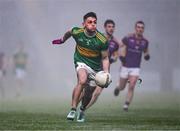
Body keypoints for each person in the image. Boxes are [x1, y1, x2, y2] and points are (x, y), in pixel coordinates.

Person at [52, 12, 111, 122]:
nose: (93, 24)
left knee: (89, 93)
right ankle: (73, 109)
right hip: (81, 62)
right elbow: (69, 32)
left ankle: (82, 109)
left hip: (95, 68)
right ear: (83, 24)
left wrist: (106, 73)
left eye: (95, 22)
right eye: (89, 22)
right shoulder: (77, 31)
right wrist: (62, 40)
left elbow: (105, 58)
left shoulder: (102, 40)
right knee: (82, 80)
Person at [114, 21, 150, 111]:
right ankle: (118, 87)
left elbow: (146, 51)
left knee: (132, 85)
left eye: (142, 27)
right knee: (122, 87)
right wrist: (120, 55)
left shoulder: (145, 41)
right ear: (135, 28)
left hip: (135, 67)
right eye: (138, 27)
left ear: (143, 29)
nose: (140, 29)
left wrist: (146, 56)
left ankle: (126, 104)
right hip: (125, 66)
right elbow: (118, 46)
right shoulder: (128, 37)